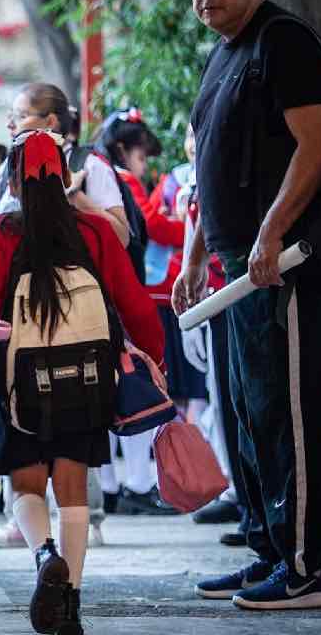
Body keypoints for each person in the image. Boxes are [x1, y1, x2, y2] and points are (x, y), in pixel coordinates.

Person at [174, 0, 321, 610]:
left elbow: (317, 146)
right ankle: (270, 552)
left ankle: (306, 570)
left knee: (297, 416)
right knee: (253, 413)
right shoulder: (224, 54)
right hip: (237, 271)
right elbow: (206, 168)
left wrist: (273, 231)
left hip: (293, 263)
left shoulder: (284, 42)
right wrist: (194, 254)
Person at [0, 130, 164, 635]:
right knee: (73, 489)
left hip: (21, 387)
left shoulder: (0, 232)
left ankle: (43, 557)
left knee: (26, 485)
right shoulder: (95, 232)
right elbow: (136, 305)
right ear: (65, 175)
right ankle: (71, 602)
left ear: (12, 179)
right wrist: (151, 359)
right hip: (88, 381)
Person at [93, 111, 182, 517]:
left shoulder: (94, 175)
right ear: (122, 150)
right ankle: (137, 484)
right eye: (142, 157)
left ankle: (113, 486)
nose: (143, 167)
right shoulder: (121, 180)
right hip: (125, 294)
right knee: (132, 387)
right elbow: (151, 227)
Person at [0, 85, 131, 248]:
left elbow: (122, 238)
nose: (10, 124)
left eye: (21, 116)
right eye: (11, 116)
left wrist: (76, 197)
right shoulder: (7, 169)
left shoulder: (89, 166)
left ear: (50, 121)